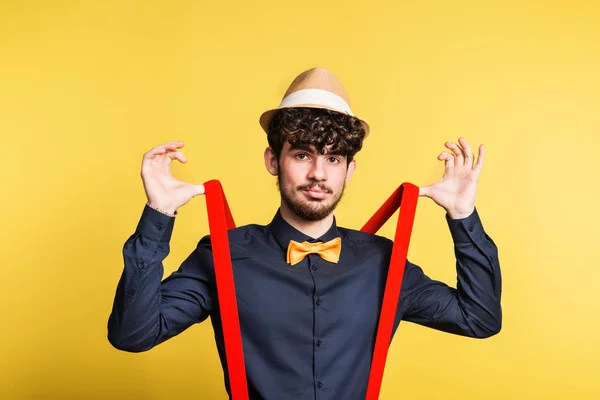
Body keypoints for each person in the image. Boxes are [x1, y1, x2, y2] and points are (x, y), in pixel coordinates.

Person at [107, 67, 502, 399]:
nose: (318, 173)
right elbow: (133, 335)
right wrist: (159, 214)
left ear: (349, 170)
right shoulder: (223, 254)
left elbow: (479, 319)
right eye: (302, 155)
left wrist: (463, 216)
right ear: (272, 161)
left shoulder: (384, 260)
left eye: (333, 158)